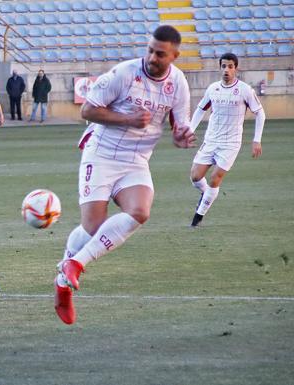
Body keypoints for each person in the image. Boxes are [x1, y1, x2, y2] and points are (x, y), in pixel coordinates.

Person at [53, 25, 196, 325]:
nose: (152, 57)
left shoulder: (179, 84)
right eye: (150, 50)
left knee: (140, 212)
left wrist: (181, 136)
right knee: (92, 229)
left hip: (136, 160)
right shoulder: (124, 73)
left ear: (174, 55)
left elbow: (178, 125)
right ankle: (63, 279)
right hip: (101, 153)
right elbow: (88, 111)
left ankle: (74, 265)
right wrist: (128, 119)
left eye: (160, 54)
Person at [188, 53, 265, 227]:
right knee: (195, 176)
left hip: (231, 143)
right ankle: (206, 194)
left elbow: (260, 113)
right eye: (224, 66)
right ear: (220, 67)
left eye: (230, 66)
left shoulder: (245, 90)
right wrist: (190, 130)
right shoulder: (213, 88)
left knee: (216, 178)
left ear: (236, 68)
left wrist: (256, 140)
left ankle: (197, 218)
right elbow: (200, 109)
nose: (227, 70)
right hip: (211, 139)